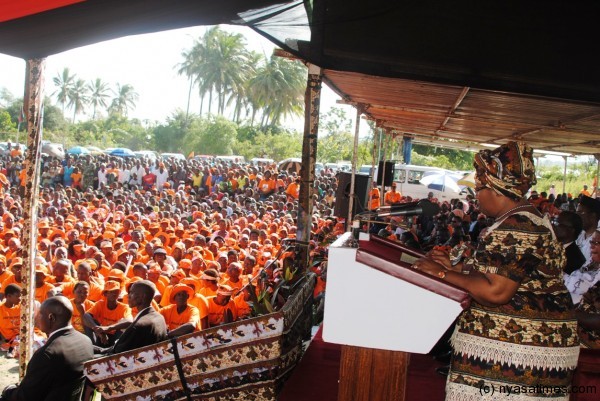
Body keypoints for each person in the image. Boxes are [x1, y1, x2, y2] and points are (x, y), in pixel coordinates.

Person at [413, 141, 579, 400]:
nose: (476, 196)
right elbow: (504, 272)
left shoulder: (518, 225)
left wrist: (440, 274)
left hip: (521, 351)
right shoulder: (522, 218)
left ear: (497, 188)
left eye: (479, 188)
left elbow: (497, 292)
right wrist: (457, 268)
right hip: (525, 346)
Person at [0, 296, 94, 401]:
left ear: (51, 318)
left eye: (40, 314)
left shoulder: (47, 354)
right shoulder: (86, 341)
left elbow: (25, 397)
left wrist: (8, 390)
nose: (36, 317)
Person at [96, 280, 167, 355]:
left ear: (142, 296)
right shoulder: (159, 317)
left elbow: (116, 354)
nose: (128, 296)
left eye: (132, 292)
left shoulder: (139, 326)